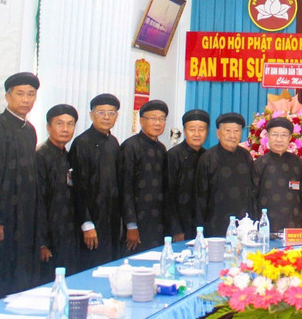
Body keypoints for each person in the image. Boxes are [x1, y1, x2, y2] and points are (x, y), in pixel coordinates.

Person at [0, 72, 42, 299]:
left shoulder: (29, 130)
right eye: (20, 94)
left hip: (22, 220)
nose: (26, 100)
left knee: (20, 281)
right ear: (8, 96)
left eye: (31, 94)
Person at [70, 93, 122, 269]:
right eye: (101, 112)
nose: (106, 117)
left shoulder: (113, 142)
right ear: (91, 115)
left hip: (111, 219)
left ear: (116, 116)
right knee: (92, 267)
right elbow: (77, 188)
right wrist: (87, 223)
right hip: (91, 221)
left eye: (111, 113)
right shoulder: (81, 143)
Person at [118, 100, 168, 253]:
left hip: (158, 222)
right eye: (153, 118)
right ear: (141, 121)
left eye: (162, 119)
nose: (157, 123)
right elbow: (125, 188)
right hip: (136, 223)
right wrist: (131, 225)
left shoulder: (161, 149)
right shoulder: (130, 147)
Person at [36, 104, 79, 282]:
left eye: (70, 124)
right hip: (48, 238)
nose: (65, 129)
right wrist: (41, 242)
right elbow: (37, 202)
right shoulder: (40, 156)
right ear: (48, 127)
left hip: (67, 235)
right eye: (59, 123)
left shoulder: (68, 156)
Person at [195, 112, 254, 237]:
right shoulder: (207, 158)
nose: (232, 135)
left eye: (237, 131)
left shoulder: (246, 156)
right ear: (218, 133)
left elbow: (252, 192)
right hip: (215, 224)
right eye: (227, 130)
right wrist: (200, 229)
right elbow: (200, 197)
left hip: (243, 224)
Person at [253, 117, 302, 232]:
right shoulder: (260, 163)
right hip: (266, 226)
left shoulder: (297, 162)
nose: (279, 139)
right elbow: (252, 197)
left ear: (290, 138)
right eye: (274, 135)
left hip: (293, 226)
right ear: (267, 136)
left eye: (284, 135)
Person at [166, 109, 209, 242]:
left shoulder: (208, 157)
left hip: (203, 227)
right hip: (180, 227)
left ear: (207, 132)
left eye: (201, 129)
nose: (197, 134)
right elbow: (168, 195)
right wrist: (176, 229)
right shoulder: (173, 156)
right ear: (184, 131)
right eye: (192, 129)